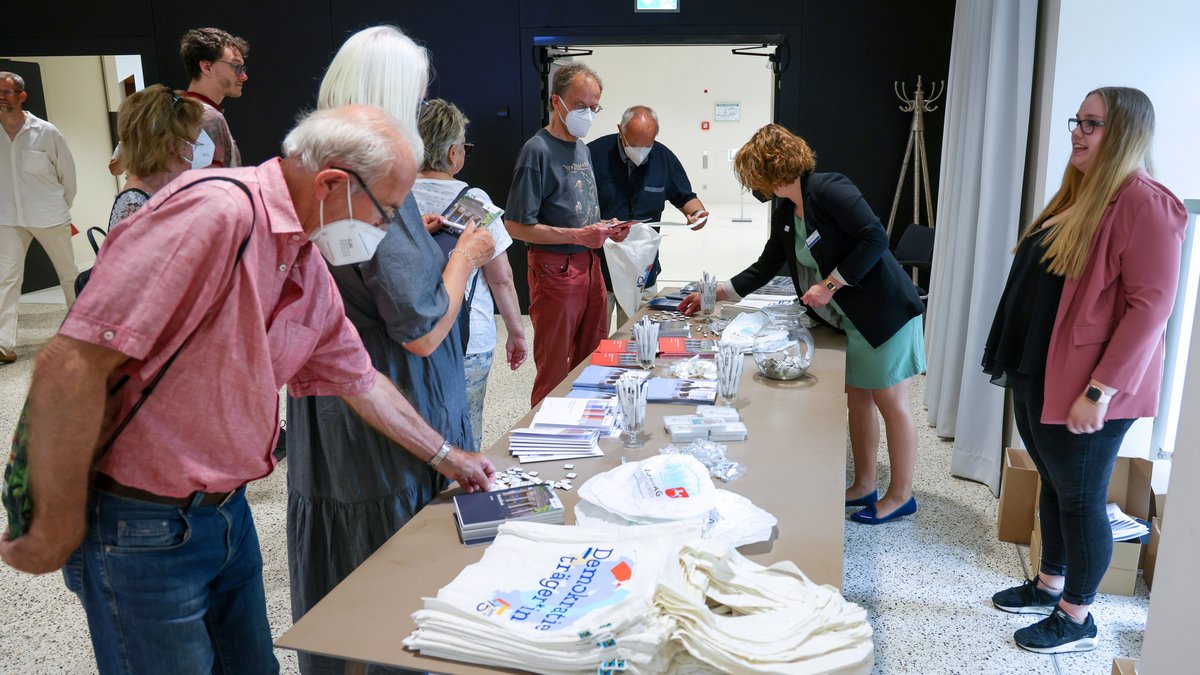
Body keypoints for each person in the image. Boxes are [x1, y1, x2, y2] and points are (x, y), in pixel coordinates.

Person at [0, 104, 495, 673]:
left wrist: (448, 456)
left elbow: (360, 379)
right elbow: (70, 365)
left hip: (226, 517)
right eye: (386, 215)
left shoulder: (306, 260)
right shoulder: (215, 213)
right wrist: (54, 527)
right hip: (141, 527)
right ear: (333, 183)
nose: (386, 233)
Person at [285, 27, 495, 675]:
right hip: (389, 404)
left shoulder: (312, 170)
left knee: (344, 568)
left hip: (340, 406)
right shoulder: (376, 174)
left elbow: (346, 330)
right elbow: (424, 323)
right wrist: (465, 254)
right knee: (387, 570)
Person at [983, 87, 1185, 654]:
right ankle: (1050, 585)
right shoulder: (1082, 193)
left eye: (1092, 124)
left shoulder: (1147, 202)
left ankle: (1077, 617)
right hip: (1037, 366)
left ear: (1124, 133)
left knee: (1081, 498)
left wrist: (1100, 390)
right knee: (1054, 483)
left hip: (1089, 382)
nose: (1077, 131)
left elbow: (1151, 308)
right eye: (1079, 120)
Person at [680, 123, 926, 524]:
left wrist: (830, 284)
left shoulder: (829, 189)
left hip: (883, 314)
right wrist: (715, 293)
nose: (752, 186)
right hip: (851, 322)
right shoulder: (786, 212)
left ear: (769, 169)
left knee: (891, 403)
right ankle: (864, 485)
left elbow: (875, 238)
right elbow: (764, 267)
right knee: (858, 400)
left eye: (752, 176)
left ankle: (902, 495)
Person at [505, 61, 630, 406]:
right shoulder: (537, 151)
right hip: (554, 270)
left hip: (590, 267)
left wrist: (604, 228)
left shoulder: (581, 148)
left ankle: (582, 431)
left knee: (592, 361)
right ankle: (544, 444)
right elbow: (515, 225)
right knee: (555, 369)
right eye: (579, 106)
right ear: (555, 102)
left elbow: (577, 210)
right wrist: (578, 237)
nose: (587, 114)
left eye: (594, 107)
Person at [413, 98, 528, 451]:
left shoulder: (394, 198)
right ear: (452, 153)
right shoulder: (475, 202)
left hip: (411, 335)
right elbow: (501, 277)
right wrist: (516, 333)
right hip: (468, 339)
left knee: (416, 429)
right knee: (465, 430)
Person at [589, 105, 708, 327]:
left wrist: (697, 214)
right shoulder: (593, 155)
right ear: (620, 131)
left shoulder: (663, 158)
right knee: (595, 340)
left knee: (637, 334)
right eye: (634, 145)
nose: (641, 151)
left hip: (643, 270)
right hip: (600, 270)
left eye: (648, 145)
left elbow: (687, 198)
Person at [0, 70, 79, 365]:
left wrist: (61, 207)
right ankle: (4, 344)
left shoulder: (46, 132)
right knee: (6, 280)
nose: (0, 97)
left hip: (49, 216)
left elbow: (68, 177)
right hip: (7, 218)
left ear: (21, 96)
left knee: (68, 275)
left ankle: (79, 335)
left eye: (6, 91)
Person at [105, 84, 208, 231]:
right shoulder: (136, 206)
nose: (192, 153)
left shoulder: (154, 195)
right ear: (171, 144)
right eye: (190, 143)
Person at [179, 27, 248, 168]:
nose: (243, 76)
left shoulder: (169, 110)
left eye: (242, 68)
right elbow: (210, 185)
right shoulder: (208, 117)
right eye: (235, 66)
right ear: (207, 67)